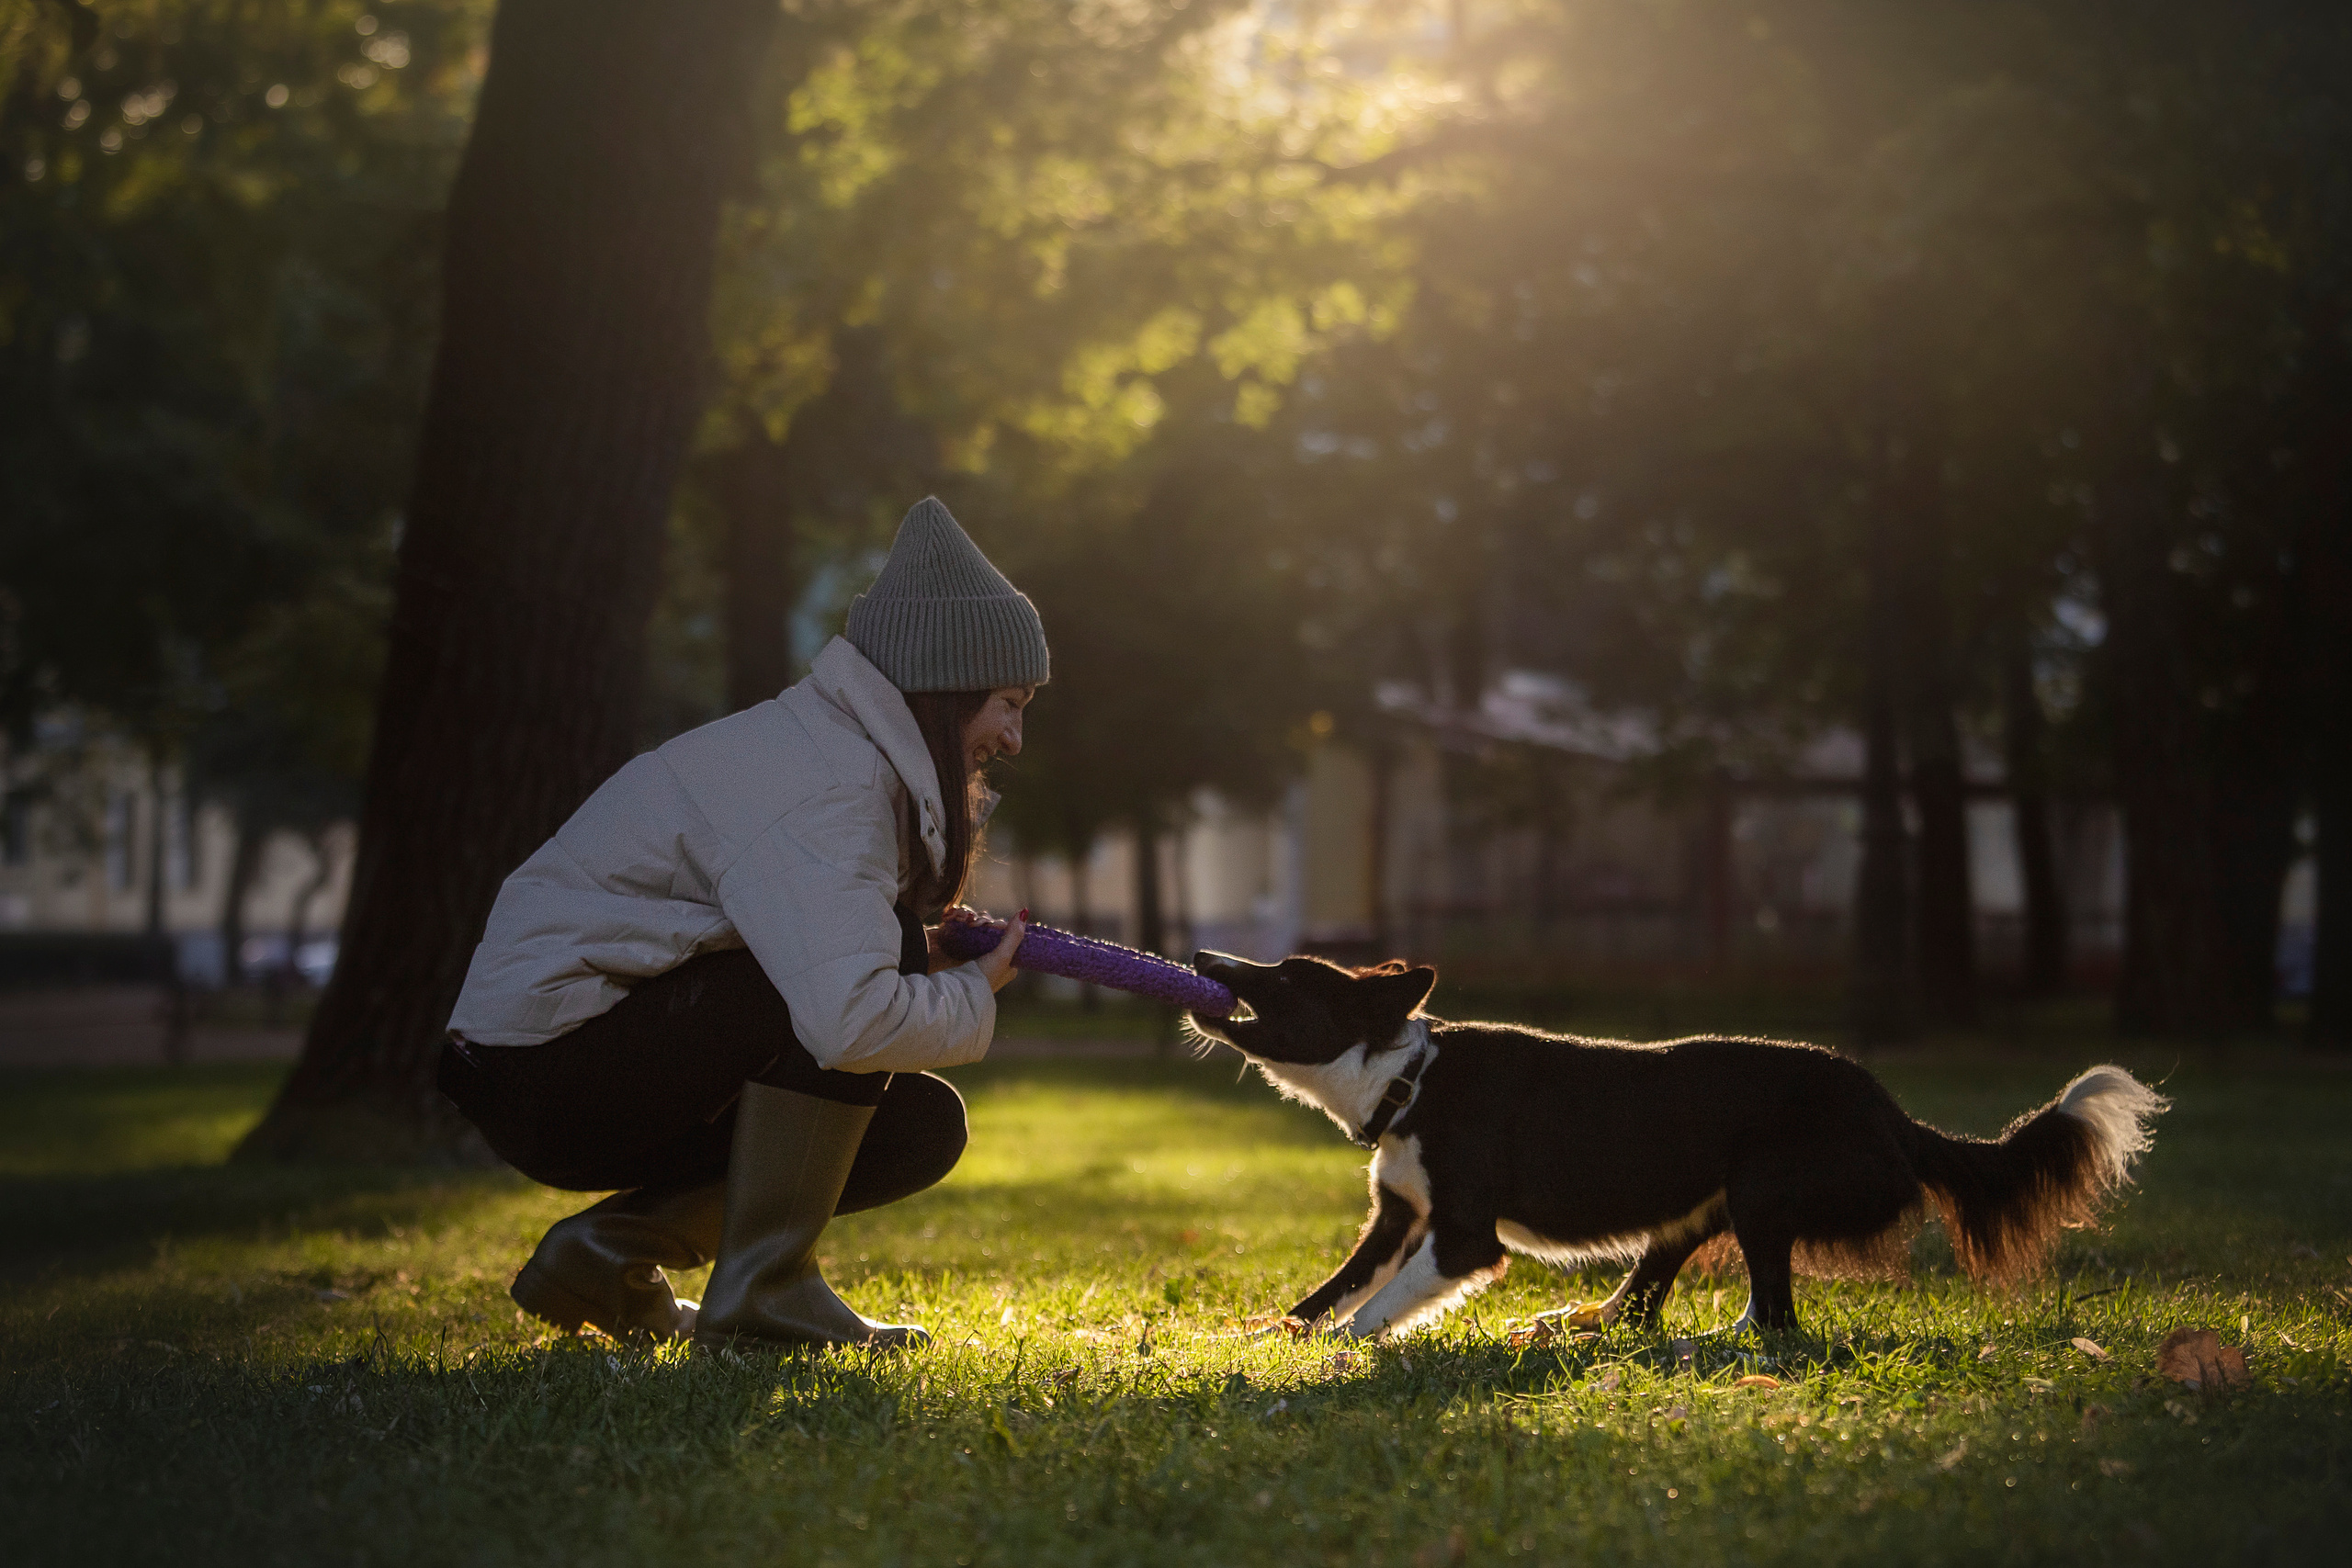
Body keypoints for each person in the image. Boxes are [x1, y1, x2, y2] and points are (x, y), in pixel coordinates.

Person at [435, 497, 1044, 1349]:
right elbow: (850, 1016)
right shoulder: (828, 783)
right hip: (545, 1072)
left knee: (917, 1127)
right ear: (947, 685)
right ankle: (764, 1296)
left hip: (576, 1058)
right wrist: (974, 989)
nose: (1014, 737)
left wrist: (921, 955)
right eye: (1008, 703)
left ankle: (608, 1253)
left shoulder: (832, 755)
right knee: (874, 984)